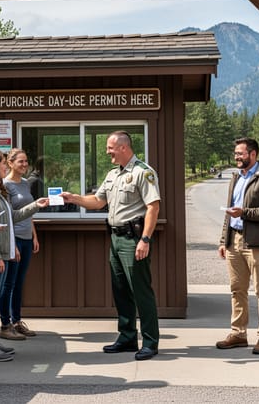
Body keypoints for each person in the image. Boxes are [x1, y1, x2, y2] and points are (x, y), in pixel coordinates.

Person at [61, 131, 161, 361]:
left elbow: (153, 207)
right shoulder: (113, 175)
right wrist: (74, 198)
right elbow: (98, 201)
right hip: (116, 238)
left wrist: (145, 239)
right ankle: (127, 337)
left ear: (123, 147)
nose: (107, 152)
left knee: (141, 291)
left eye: (110, 148)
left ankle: (150, 342)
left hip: (134, 240)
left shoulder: (143, 172)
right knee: (120, 290)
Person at [0, 149, 48, 361]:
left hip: (2, 253)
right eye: (2, 164)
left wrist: (36, 205)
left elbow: (12, 216)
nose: (5, 167)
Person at [216, 137, 259, 355]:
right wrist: (223, 240)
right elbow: (229, 212)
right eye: (236, 153)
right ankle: (238, 333)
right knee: (237, 289)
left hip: (257, 244)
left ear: (253, 154)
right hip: (234, 241)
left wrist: (245, 213)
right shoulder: (236, 178)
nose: (237, 157)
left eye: (240, 153)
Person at [0, 148, 41, 341]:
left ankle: (17, 321)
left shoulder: (25, 183)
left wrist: (34, 236)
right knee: (9, 283)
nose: (24, 165)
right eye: (20, 161)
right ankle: (5, 324)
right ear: (10, 163)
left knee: (19, 282)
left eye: (26, 161)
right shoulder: (5, 185)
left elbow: (28, 212)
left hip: (26, 238)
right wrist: (12, 244)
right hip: (14, 238)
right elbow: (7, 216)